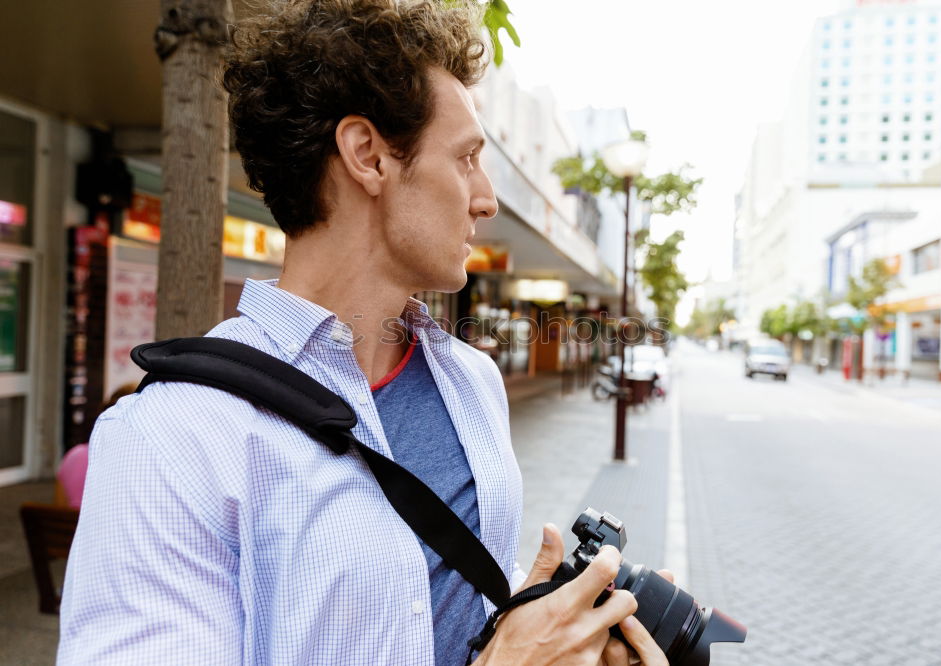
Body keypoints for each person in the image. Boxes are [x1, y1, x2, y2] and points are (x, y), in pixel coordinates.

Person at [58, 1, 671, 664]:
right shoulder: (170, 437)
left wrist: (552, 634)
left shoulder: (474, 381)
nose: (486, 197)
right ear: (367, 155)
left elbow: (457, 619)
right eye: (465, 158)